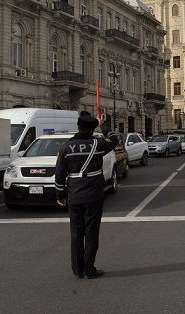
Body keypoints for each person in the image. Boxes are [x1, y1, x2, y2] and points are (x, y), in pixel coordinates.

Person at [55, 113, 118, 280]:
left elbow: (60, 174)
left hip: (74, 196)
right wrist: (103, 125)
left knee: (76, 233)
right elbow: (114, 139)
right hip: (94, 196)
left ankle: (78, 269)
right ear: (92, 129)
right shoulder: (98, 145)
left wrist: (60, 194)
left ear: (78, 127)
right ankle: (89, 269)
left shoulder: (65, 147)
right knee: (91, 233)